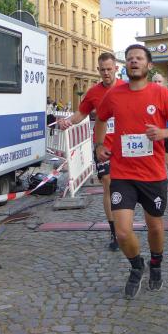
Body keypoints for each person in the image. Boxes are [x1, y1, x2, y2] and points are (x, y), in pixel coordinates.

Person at [93, 44, 168, 299]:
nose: (133, 62)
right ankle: (137, 266)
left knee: (154, 227)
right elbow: (100, 118)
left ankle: (156, 264)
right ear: (125, 65)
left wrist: (164, 133)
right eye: (129, 59)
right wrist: (99, 145)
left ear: (149, 65)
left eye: (138, 58)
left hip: (152, 175)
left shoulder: (161, 94)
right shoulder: (114, 94)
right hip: (122, 174)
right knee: (123, 231)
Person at [58, 52, 126, 251]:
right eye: (102, 70)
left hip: (125, 147)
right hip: (103, 147)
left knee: (126, 188)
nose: (106, 73)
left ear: (116, 69)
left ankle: (125, 224)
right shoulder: (94, 92)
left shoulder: (126, 88)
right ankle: (114, 233)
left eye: (109, 69)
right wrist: (68, 121)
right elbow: (81, 113)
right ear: (98, 70)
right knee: (108, 185)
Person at [151, 73, 168, 173]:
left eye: (159, 81)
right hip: (154, 133)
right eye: (155, 81)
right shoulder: (147, 96)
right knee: (156, 160)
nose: (157, 83)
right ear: (151, 83)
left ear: (163, 83)